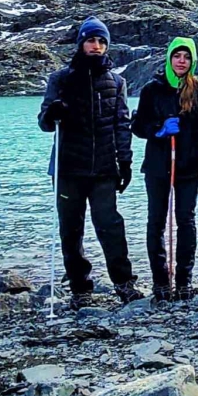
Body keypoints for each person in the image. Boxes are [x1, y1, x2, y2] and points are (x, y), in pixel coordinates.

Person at [37, 16, 142, 309]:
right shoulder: (60, 79)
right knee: (71, 229)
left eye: (101, 41)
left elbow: (122, 124)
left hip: (104, 169)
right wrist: (52, 113)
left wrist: (126, 161)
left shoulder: (117, 82)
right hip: (68, 168)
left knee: (110, 225)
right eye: (90, 40)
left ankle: (124, 284)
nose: (96, 46)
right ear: (81, 43)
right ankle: (80, 288)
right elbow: (45, 123)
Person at [131, 36, 198, 301]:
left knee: (186, 221)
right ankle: (160, 280)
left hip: (188, 166)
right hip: (157, 166)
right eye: (177, 56)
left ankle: (184, 280)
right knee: (156, 221)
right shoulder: (152, 90)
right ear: (169, 58)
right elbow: (138, 127)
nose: (181, 61)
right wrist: (159, 129)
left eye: (187, 57)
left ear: (193, 60)